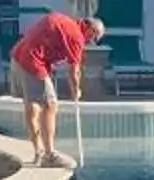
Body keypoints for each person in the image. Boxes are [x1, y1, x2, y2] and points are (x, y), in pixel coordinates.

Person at [9, 10, 103, 166]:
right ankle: (49, 155)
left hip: (18, 56)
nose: (89, 43)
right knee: (50, 105)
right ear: (90, 30)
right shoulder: (76, 37)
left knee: (32, 106)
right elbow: (74, 71)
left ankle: (38, 152)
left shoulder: (63, 20)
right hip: (33, 62)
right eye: (93, 39)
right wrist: (76, 90)